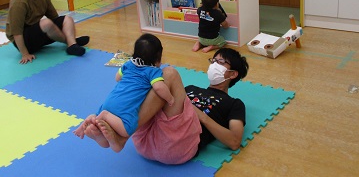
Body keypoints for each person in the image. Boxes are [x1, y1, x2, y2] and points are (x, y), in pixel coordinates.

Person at [76, 47, 249, 165]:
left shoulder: (233, 104)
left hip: (179, 146)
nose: (213, 65)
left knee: (169, 73)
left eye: (220, 63)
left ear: (233, 74)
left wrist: (201, 115)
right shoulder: (190, 89)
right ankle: (114, 128)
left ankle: (121, 135)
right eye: (213, 61)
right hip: (146, 139)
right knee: (154, 83)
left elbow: (234, 141)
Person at [74, 33, 175, 152]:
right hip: (123, 111)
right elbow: (159, 88)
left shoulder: (128, 65)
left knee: (105, 142)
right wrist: (170, 99)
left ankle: (92, 123)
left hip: (109, 102)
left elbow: (117, 78)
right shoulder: (152, 72)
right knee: (126, 130)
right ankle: (105, 118)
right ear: (158, 59)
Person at [5, 0, 89, 64]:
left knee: (67, 19)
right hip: (23, 40)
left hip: (38, 33)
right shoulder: (19, 2)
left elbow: (55, 18)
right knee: (46, 23)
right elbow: (16, 33)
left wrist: (60, 27)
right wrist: (25, 54)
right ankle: (70, 41)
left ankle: (72, 45)